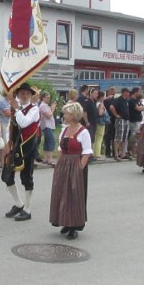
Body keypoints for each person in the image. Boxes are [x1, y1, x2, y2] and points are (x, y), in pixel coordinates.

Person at [49, 102, 93, 240]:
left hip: (76, 165)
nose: (64, 115)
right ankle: (65, 222)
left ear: (74, 115)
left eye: (66, 113)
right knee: (62, 194)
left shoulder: (83, 132)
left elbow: (86, 153)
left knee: (74, 196)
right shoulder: (64, 130)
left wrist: (79, 168)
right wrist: (58, 165)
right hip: (64, 165)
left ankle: (74, 226)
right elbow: (61, 150)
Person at [2, 82, 40, 221]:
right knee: (7, 176)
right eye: (22, 93)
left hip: (27, 147)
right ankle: (18, 203)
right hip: (14, 146)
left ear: (30, 95)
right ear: (18, 94)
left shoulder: (34, 109)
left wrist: (17, 110)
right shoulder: (14, 109)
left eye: (27, 93)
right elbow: (9, 128)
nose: (24, 95)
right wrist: (7, 142)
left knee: (26, 178)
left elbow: (24, 123)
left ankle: (28, 209)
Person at [110, 88, 131, 161]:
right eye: (128, 92)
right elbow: (111, 107)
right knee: (118, 137)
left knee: (124, 138)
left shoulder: (126, 100)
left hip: (126, 120)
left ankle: (123, 154)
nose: (129, 94)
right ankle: (116, 154)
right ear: (124, 92)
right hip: (120, 120)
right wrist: (116, 115)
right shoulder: (118, 99)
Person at [38, 91, 56, 167]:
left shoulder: (45, 105)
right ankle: (50, 159)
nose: (49, 99)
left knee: (47, 142)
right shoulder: (43, 106)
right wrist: (52, 108)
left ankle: (45, 158)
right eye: (47, 97)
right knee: (51, 141)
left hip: (49, 125)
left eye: (49, 97)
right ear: (43, 98)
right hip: (46, 126)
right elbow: (48, 115)